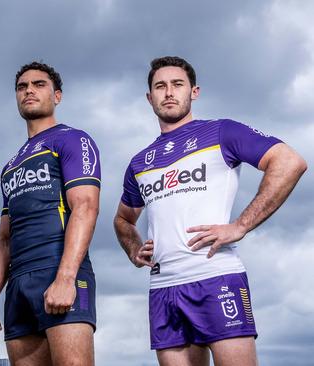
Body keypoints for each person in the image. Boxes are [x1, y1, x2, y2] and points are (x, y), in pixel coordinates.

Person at [114, 56, 307, 366]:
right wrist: (134, 248)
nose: (169, 92)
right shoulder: (139, 161)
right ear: (150, 97)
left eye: (177, 84)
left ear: (194, 92)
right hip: (163, 288)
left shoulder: (222, 132)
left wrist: (240, 225)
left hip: (216, 277)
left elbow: (289, 162)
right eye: (160, 86)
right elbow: (123, 219)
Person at [0, 62, 101, 366]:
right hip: (19, 284)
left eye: (39, 84)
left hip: (58, 270)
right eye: (22, 87)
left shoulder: (72, 140)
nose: (29, 91)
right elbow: (4, 239)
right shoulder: (11, 165)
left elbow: (85, 207)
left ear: (57, 96)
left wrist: (65, 277)